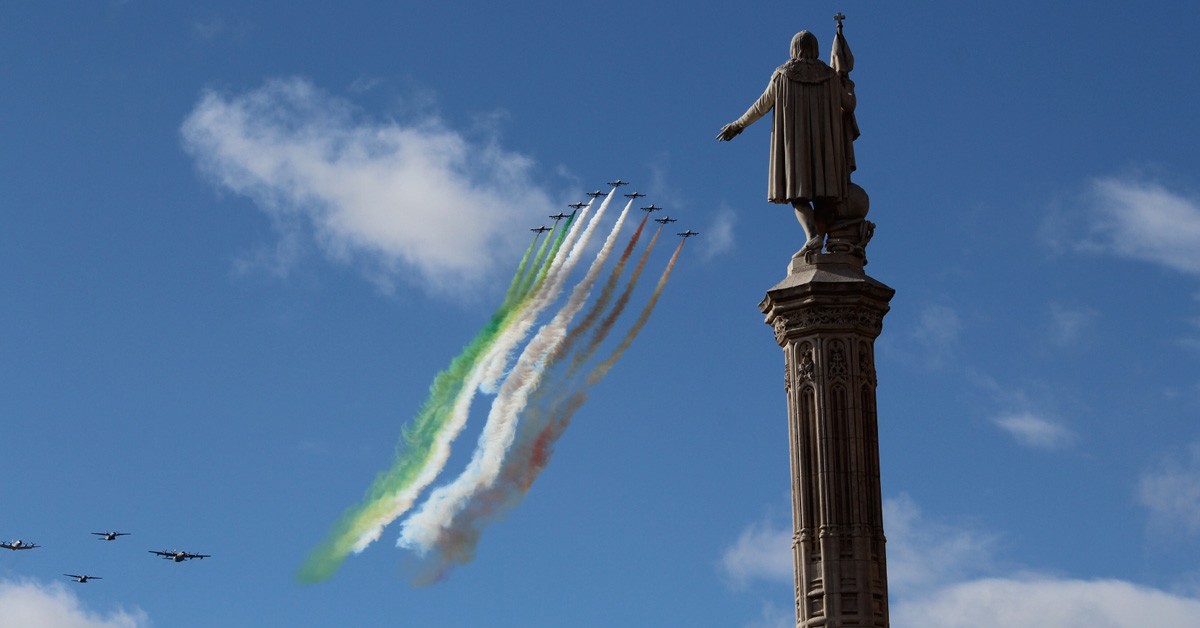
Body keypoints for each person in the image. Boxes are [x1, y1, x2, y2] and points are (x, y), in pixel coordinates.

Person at [718, 30, 857, 255]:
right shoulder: (830, 76)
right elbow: (849, 106)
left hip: (796, 146)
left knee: (797, 196)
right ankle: (817, 240)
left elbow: (760, 106)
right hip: (826, 149)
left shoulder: (783, 74)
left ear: (794, 49)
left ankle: (813, 236)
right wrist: (847, 85)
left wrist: (738, 125)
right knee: (825, 197)